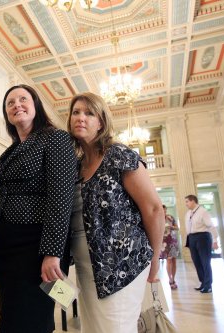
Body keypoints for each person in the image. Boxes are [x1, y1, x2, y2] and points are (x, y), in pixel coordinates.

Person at [67, 92, 164, 333]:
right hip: (85, 264)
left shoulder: (118, 155)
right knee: (91, 328)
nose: (81, 117)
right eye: (76, 112)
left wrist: (155, 257)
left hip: (123, 264)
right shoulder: (75, 166)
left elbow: (153, 209)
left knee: (116, 328)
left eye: (89, 113)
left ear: (101, 122)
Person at [0, 84, 76, 333]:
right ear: (6, 113)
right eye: (10, 102)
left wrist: (52, 253)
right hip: (8, 249)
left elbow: (61, 197)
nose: (17, 104)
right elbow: (3, 205)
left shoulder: (55, 138)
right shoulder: (8, 153)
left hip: (37, 248)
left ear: (36, 105)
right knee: (10, 319)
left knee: (33, 322)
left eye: (23, 99)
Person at [185, 194, 218, 293]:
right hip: (192, 238)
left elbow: (211, 226)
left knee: (205, 262)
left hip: (203, 237)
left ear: (193, 201)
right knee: (196, 262)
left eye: (187, 201)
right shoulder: (188, 213)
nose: (186, 204)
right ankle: (203, 282)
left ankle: (208, 285)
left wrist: (215, 240)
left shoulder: (203, 211)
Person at [160, 204, 180, 289]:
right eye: (162, 210)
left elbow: (177, 228)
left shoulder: (170, 218)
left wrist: (171, 226)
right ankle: (170, 279)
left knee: (174, 260)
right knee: (168, 260)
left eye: (165, 210)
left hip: (173, 241)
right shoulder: (158, 218)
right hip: (164, 242)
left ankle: (174, 278)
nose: (164, 212)